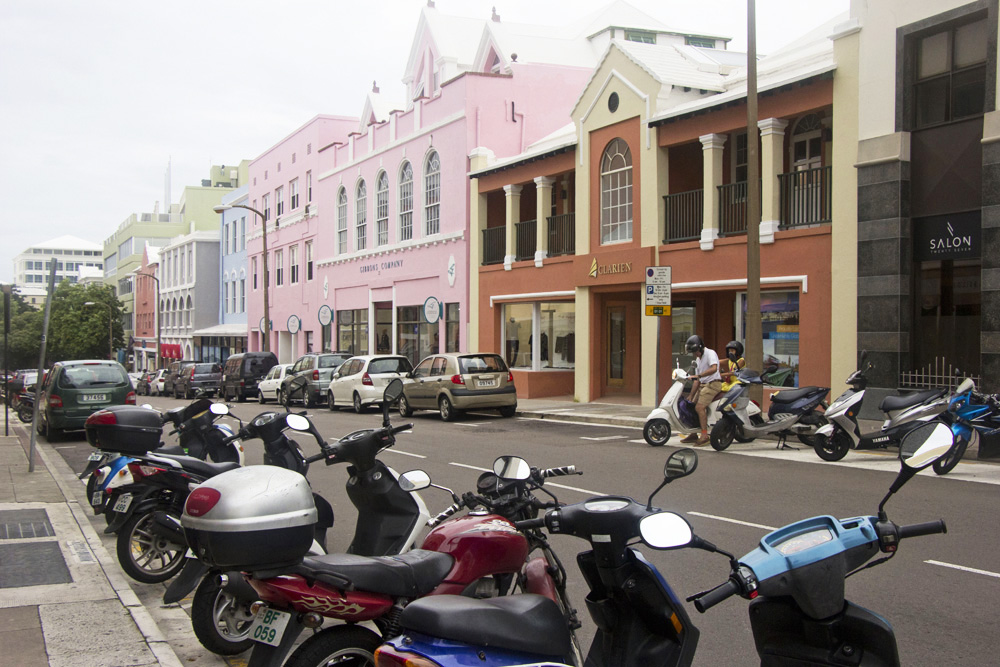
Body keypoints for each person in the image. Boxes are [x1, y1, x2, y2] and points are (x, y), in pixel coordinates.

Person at [681, 334, 722, 446]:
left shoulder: (710, 353)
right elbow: (696, 380)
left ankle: (704, 435)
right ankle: (694, 433)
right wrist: (691, 395)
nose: (695, 354)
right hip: (703, 385)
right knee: (690, 406)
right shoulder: (698, 359)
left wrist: (700, 375)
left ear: (701, 347)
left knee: (699, 407)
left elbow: (714, 368)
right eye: (693, 352)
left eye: (696, 351)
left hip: (713, 384)